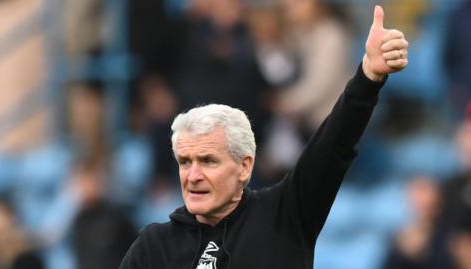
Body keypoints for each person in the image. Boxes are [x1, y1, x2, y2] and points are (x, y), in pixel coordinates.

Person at [120, 5, 409, 269]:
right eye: (185, 161)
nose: (192, 175)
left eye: (208, 161)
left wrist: (368, 77)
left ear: (244, 166)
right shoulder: (152, 247)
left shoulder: (285, 215)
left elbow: (334, 146)